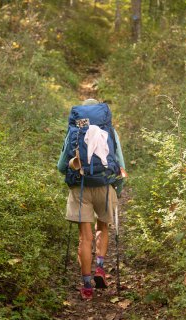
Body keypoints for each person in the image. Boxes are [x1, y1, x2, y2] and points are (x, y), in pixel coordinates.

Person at [57, 99, 125, 300]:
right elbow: (120, 164)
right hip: (105, 187)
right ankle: (100, 268)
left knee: (84, 238)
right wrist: (117, 190)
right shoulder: (110, 131)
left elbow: (62, 166)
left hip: (81, 187)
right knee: (102, 229)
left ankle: (87, 286)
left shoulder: (74, 132)